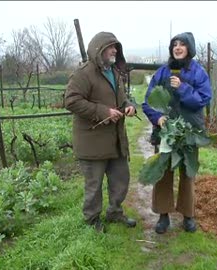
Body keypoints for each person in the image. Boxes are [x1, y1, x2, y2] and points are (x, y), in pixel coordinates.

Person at [64, 32, 137, 232]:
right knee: (94, 185)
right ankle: (92, 220)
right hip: (93, 141)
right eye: (111, 47)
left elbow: (122, 99)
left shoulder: (114, 72)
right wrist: (103, 112)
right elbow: (71, 100)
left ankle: (114, 212)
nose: (115, 50)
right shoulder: (84, 73)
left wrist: (129, 106)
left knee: (121, 179)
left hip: (116, 140)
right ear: (99, 49)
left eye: (116, 47)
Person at [142, 32, 212, 234]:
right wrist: (158, 118)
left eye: (182, 44)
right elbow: (148, 101)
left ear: (189, 48)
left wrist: (182, 88)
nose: (178, 48)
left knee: (188, 173)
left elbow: (203, 99)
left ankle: (188, 215)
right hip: (166, 132)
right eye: (175, 44)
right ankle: (163, 216)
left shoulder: (198, 72)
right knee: (163, 172)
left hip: (189, 131)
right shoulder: (162, 72)